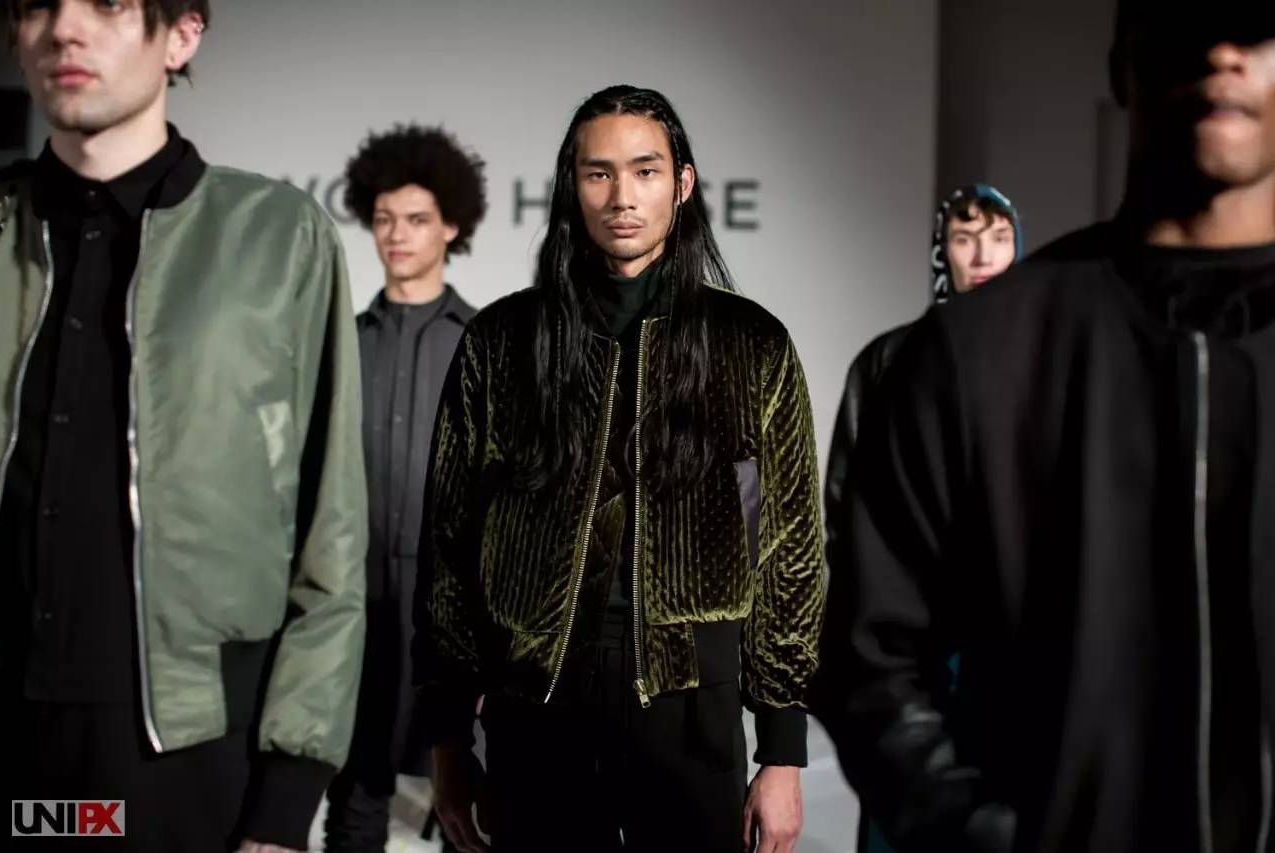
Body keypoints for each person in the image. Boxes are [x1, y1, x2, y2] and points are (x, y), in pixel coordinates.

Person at [814, 3, 1275, 851]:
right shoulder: (968, 354)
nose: (1221, 51)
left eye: (1255, 23)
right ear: (1122, 60)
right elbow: (871, 653)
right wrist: (985, 835)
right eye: (1186, 14)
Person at [414, 85, 825, 853]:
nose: (622, 196)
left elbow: (788, 549)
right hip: (536, 704)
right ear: (572, 185)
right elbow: (450, 548)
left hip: (690, 702)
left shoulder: (751, 345)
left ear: (683, 183)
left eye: (645, 170)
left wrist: (782, 746)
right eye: (598, 173)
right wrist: (447, 738)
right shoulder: (502, 343)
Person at [0, 2, 366, 850]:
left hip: (188, 757)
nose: (65, 29)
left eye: (109, 4)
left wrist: (286, 796)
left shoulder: (277, 236)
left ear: (183, 34)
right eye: (40, 5)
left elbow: (332, 535)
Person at [823, 183, 1022, 853]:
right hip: (907, 642)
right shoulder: (889, 361)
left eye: (998, 238)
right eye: (965, 239)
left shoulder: (1040, 359)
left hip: (1007, 646)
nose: (983, 255)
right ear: (942, 251)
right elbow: (844, 508)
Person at [324, 124, 484, 853]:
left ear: (451, 225)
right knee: (355, 795)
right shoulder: (340, 340)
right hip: (350, 605)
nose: (396, 234)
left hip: (455, 616)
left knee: (469, 811)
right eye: (384, 218)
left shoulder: (485, 342)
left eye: (416, 219)